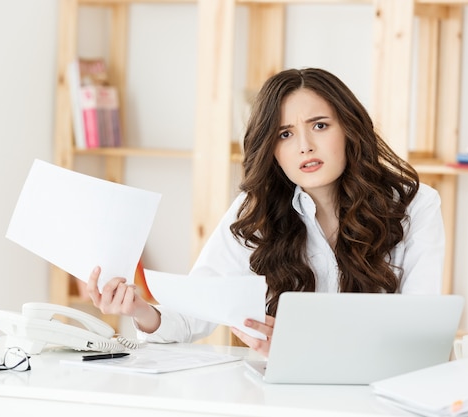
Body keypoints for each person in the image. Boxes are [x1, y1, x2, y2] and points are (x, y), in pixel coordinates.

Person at [87, 67, 445, 358]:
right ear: (271, 149)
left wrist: (302, 350)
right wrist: (139, 309)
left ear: (350, 130)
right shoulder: (256, 211)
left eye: (320, 126)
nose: (305, 146)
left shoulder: (414, 205)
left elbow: (420, 331)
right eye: (285, 134)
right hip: (286, 395)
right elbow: (195, 312)